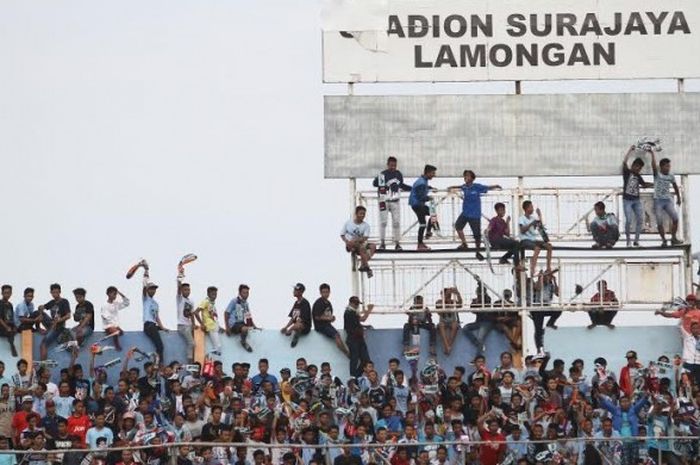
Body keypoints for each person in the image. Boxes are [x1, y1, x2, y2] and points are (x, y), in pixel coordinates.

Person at [448, 170, 501, 259]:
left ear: (472, 178)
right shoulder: (464, 187)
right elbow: (459, 187)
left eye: (468, 176)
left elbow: (486, 188)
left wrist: (495, 186)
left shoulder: (477, 187)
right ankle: (464, 243)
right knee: (458, 226)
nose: (465, 178)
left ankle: (478, 251)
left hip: (475, 214)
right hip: (465, 213)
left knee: (477, 235)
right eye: (465, 176)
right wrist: (451, 187)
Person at [373, 156, 412, 250]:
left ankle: (397, 243)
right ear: (387, 165)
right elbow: (374, 184)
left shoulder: (398, 174)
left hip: (395, 200)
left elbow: (401, 185)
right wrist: (379, 179)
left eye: (394, 165)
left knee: (397, 222)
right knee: (383, 222)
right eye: (391, 165)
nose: (392, 167)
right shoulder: (383, 174)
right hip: (383, 200)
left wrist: (413, 189)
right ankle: (382, 242)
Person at [622, 146, 653, 247]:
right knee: (629, 220)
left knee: (640, 219)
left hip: (636, 200)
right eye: (637, 167)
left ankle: (636, 240)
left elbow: (644, 184)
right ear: (633, 166)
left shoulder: (638, 176)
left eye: (640, 168)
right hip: (627, 200)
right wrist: (630, 150)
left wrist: (653, 184)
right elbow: (624, 163)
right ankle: (628, 241)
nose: (638, 169)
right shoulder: (627, 172)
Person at [650, 153, 682, 247]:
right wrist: (652, 153)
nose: (668, 168)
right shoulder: (657, 175)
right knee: (660, 222)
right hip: (658, 201)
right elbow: (653, 165)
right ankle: (664, 240)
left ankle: (673, 238)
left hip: (667, 200)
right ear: (661, 167)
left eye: (669, 166)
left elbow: (675, 187)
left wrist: (679, 198)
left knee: (675, 219)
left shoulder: (671, 176)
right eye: (667, 166)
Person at [312, 284, 349, 357]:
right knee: (336, 335)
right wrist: (328, 318)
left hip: (327, 325)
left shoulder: (328, 303)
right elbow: (317, 317)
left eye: (327, 292)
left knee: (338, 335)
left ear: (329, 292)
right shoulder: (319, 303)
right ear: (320, 292)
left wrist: (332, 318)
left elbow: (328, 316)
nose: (325, 294)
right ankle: (347, 353)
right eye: (323, 292)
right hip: (321, 326)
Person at [340, 206, 376, 278]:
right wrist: (347, 241)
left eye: (364, 214)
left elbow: (365, 237)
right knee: (360, 247)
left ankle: (363, 264)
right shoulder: (348, 223)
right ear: (356, 214)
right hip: (351, 243)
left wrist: (357, 240)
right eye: (361, 213)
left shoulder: (366, 225)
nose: (362, 215)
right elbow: (342, 234)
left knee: (373, 246)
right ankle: (367, 268)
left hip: (360, 242)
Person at [518, 201, 552, 277]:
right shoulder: (521, 218)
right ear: (526, 208)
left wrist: (539, 216)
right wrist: (531, 224)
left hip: (533, 239)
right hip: (525, 239)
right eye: (531, 207)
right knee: (537, 248)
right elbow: (522, 230)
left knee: (549, 246)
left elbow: (540, 227)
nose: (532, 209)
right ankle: (533, 269)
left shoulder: (533, 218)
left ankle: (548, 267)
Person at [39, 284, 72, 361]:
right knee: (38, 313)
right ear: (50, 292)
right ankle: (40, 328)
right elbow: (41, 308)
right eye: (53, 292)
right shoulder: (52, 302)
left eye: (56, 292)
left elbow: (68, 316)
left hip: (59, 327)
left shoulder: (64, 301)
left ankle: (43, 363)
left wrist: (58, 321)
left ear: (60, 292)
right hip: (51, 324)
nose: (55, 294)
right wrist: (40, 311)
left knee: (43, 344)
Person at [142, 267, 168, 362]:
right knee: (160, 346)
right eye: (151, 289)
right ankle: (159, 363)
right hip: (148, 325)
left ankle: (158, 362)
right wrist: (146, 271)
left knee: (161, 337)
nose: (153, 290)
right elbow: (144, 286)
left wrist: (162, 327)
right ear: (148, 290)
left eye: (154, 289)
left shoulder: (155, 303)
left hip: (153, 324)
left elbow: (156, 317)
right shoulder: (146, 299)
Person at [408, 164, 437, 251]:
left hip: (417, 204)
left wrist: (430, 188)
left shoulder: (423, 180)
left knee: (427, 220)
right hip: (417, 204)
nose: (434, 175)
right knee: (432, 215)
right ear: (427, 173)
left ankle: (423, 239)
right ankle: (425, 237)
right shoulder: (422, 183)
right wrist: (430, 198)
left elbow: (423, 188)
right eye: (433, 173)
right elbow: (422, 197)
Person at [344, 296, 373, 377]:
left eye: (357, 304)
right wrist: (369, 310)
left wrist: (364, 327)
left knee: (365, 360)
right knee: (355, 360)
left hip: (358, 338)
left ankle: (356, 376)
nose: (356, 305)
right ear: (350, 303)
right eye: (355, 303)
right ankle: (354, 377)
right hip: (354, 339)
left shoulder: (351, 312)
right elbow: (362, 319)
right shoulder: (350, 312)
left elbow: (356, 323)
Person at [463, 282, 495, 355]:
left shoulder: (487, 298)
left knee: (480, 337)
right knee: (465, 328)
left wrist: (480, 283)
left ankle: (477, 356)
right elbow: (473, 310)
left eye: (480, 292)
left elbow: (485, 302)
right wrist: (475, 302)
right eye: (478, 292)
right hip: (478, 322)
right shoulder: (476, 300)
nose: (479, 294)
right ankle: (478, 344)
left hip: (487, 322)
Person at [224, 284, 257, 352]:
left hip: (241, 323)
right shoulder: (234, 301)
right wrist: (227, 327)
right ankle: (243, 342)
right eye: (244, 292)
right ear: (240, 293)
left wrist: (254, 325)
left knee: (250, 328)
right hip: (234, 324)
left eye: (247, 293)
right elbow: (226, 313)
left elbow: (248, 316)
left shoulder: (245, 304)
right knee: (245, 329)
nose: (246, 294)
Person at [281, 284, 312, 348]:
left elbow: (302, 319)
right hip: (297, 325)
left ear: (301, 292)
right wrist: (286, 327)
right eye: (294, 290)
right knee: (296, 324)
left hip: (304, 326)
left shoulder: (305, 303)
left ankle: (296, 334)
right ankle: (296, 332)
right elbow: (293, 318)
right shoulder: (296, 303)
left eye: (296, 290)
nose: (294, 291)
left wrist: (290, 329)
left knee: (299, 324)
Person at [194, 286, 222, 356]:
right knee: (217, 347)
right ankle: (208, 355)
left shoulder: (212, 303)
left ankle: (211, 355)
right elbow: (196, 312)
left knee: (218, 348)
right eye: (212, 294)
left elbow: (213, 316)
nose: (214, 296)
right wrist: (202, 324)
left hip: (214, 325)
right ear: (208, 294)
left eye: (215, 294)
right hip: (210, 325)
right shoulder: (205, 301)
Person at [100, 286, 129, 352]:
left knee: (121, 332)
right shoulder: (104, 305)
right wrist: (113, 326)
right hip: (108, 326)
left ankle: (113, 333)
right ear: (108, 294)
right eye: (113, 294)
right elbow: (105, 317)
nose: (115, 296)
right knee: (116, 332)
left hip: (115, 326)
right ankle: (117, 346)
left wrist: (120, 294)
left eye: (115, 294)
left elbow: (126, 303)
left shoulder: (116, 304)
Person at [176, 268, 195, 363]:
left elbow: (192, 314)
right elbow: (178, 289)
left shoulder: (191, 301)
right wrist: (180, 277)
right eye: (185, 290)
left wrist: (194, 324)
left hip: (189, 325)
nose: (187, 291)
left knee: (196, 338)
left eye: (188, 290)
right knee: (191, 343)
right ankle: (189, 362)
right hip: (182, 326)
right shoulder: (180, 299)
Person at [436, 287, 462, 356]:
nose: (449, 295)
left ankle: (448, 346)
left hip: (452, 321)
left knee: (455, 325)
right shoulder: (439, 302)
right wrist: (445, 298)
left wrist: (457, 294)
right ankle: (447, 346)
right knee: (441, 325)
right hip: (443, 321)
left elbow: (460, 305)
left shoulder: (453, 302)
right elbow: (438, 311)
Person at [0, 285, 17, 357]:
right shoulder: (0, 303)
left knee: (17, 328)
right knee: (9, 331)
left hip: (8, 324)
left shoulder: (10, 305)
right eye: (5, 293)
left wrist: (14, 326)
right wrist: (7, 327)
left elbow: (11, 317)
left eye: (8, 293)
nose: (7, 294)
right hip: (1, 326)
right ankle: (12, 346)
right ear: (2, 293)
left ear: (11, 293)